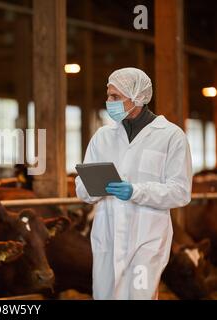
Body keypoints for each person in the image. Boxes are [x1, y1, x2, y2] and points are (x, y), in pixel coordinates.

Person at [75, 67, 192, 299]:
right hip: (107, 235)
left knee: (140, 295)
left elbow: (180, 192)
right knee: (105, 294)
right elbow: (81, 186)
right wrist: (93, 187)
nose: (109, 101)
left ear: (138, 97)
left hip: (146, 237)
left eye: (115, 97)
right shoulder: (102, 136)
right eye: (108, 95)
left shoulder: (170, 136)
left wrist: (135, 191)